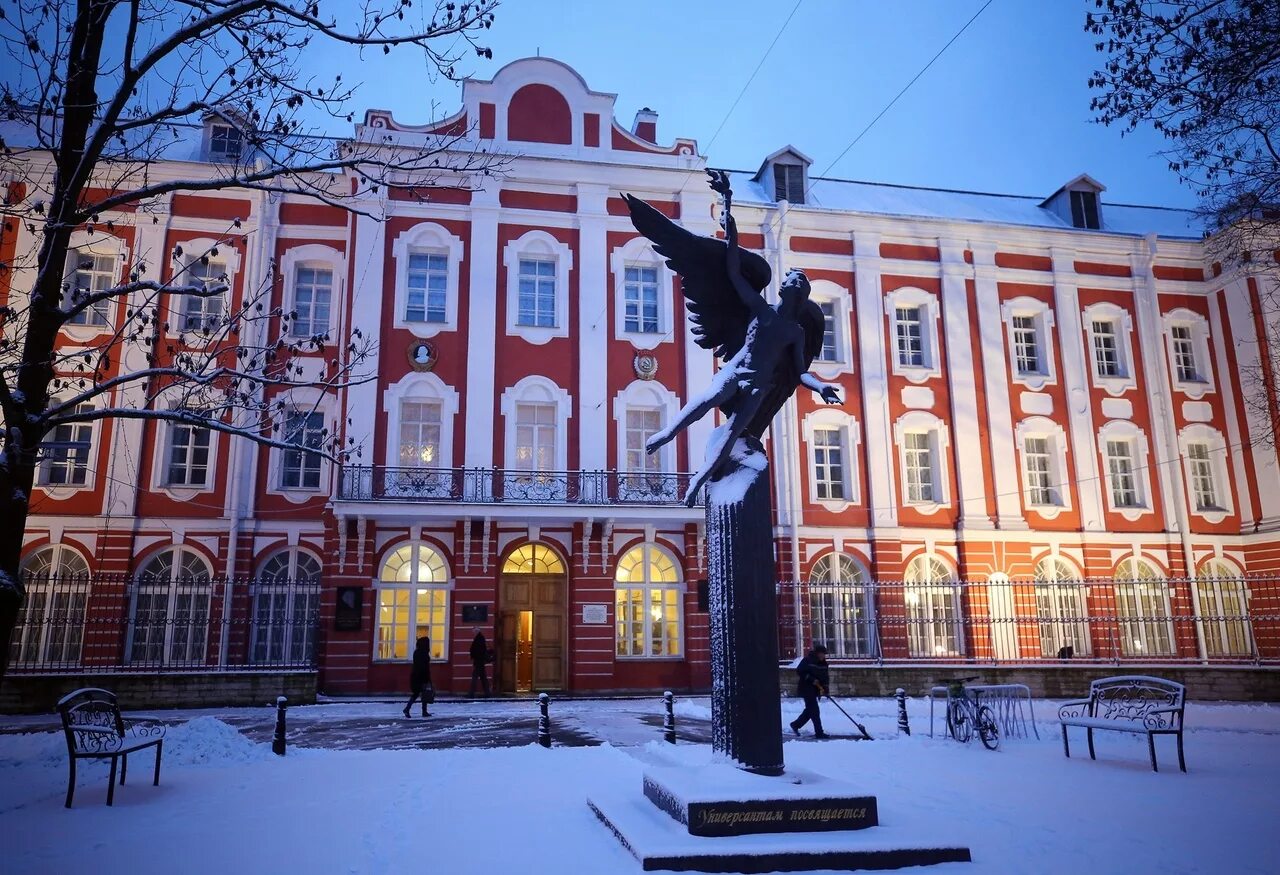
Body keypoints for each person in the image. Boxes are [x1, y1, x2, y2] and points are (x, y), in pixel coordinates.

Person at [790, 644, 829, 738]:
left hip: (815, 689)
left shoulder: (824, 664)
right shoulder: (808, 660)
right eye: (821, 654)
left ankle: (796, 724)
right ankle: (819, 733)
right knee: (814, 710)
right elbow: (800, 671)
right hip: (806, 688)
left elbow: (825, 678)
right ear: (817, 653)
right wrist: (811, 679)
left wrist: (826, 689)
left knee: (810, 710)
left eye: (824, 654)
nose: (823, 656)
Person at [403, 636, 433, 718]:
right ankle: (408, 709)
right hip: (421, 676)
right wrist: (427, 678)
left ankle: (422, 711)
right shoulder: (423, 653)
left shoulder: (417, 652)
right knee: (421, 693)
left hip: (416, 675)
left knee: (420, 693)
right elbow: (424, 666)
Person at [468, 629, 491, 697]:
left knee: (475, 677)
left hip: (478, 661)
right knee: (483, 678)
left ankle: (471, 693)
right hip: (480, 661)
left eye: (474, 632)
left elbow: (477, 650)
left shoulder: (479, 639)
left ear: (477, 631)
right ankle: (487, 693)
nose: (473, 633)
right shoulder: (480, 638)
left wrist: (473, 656)